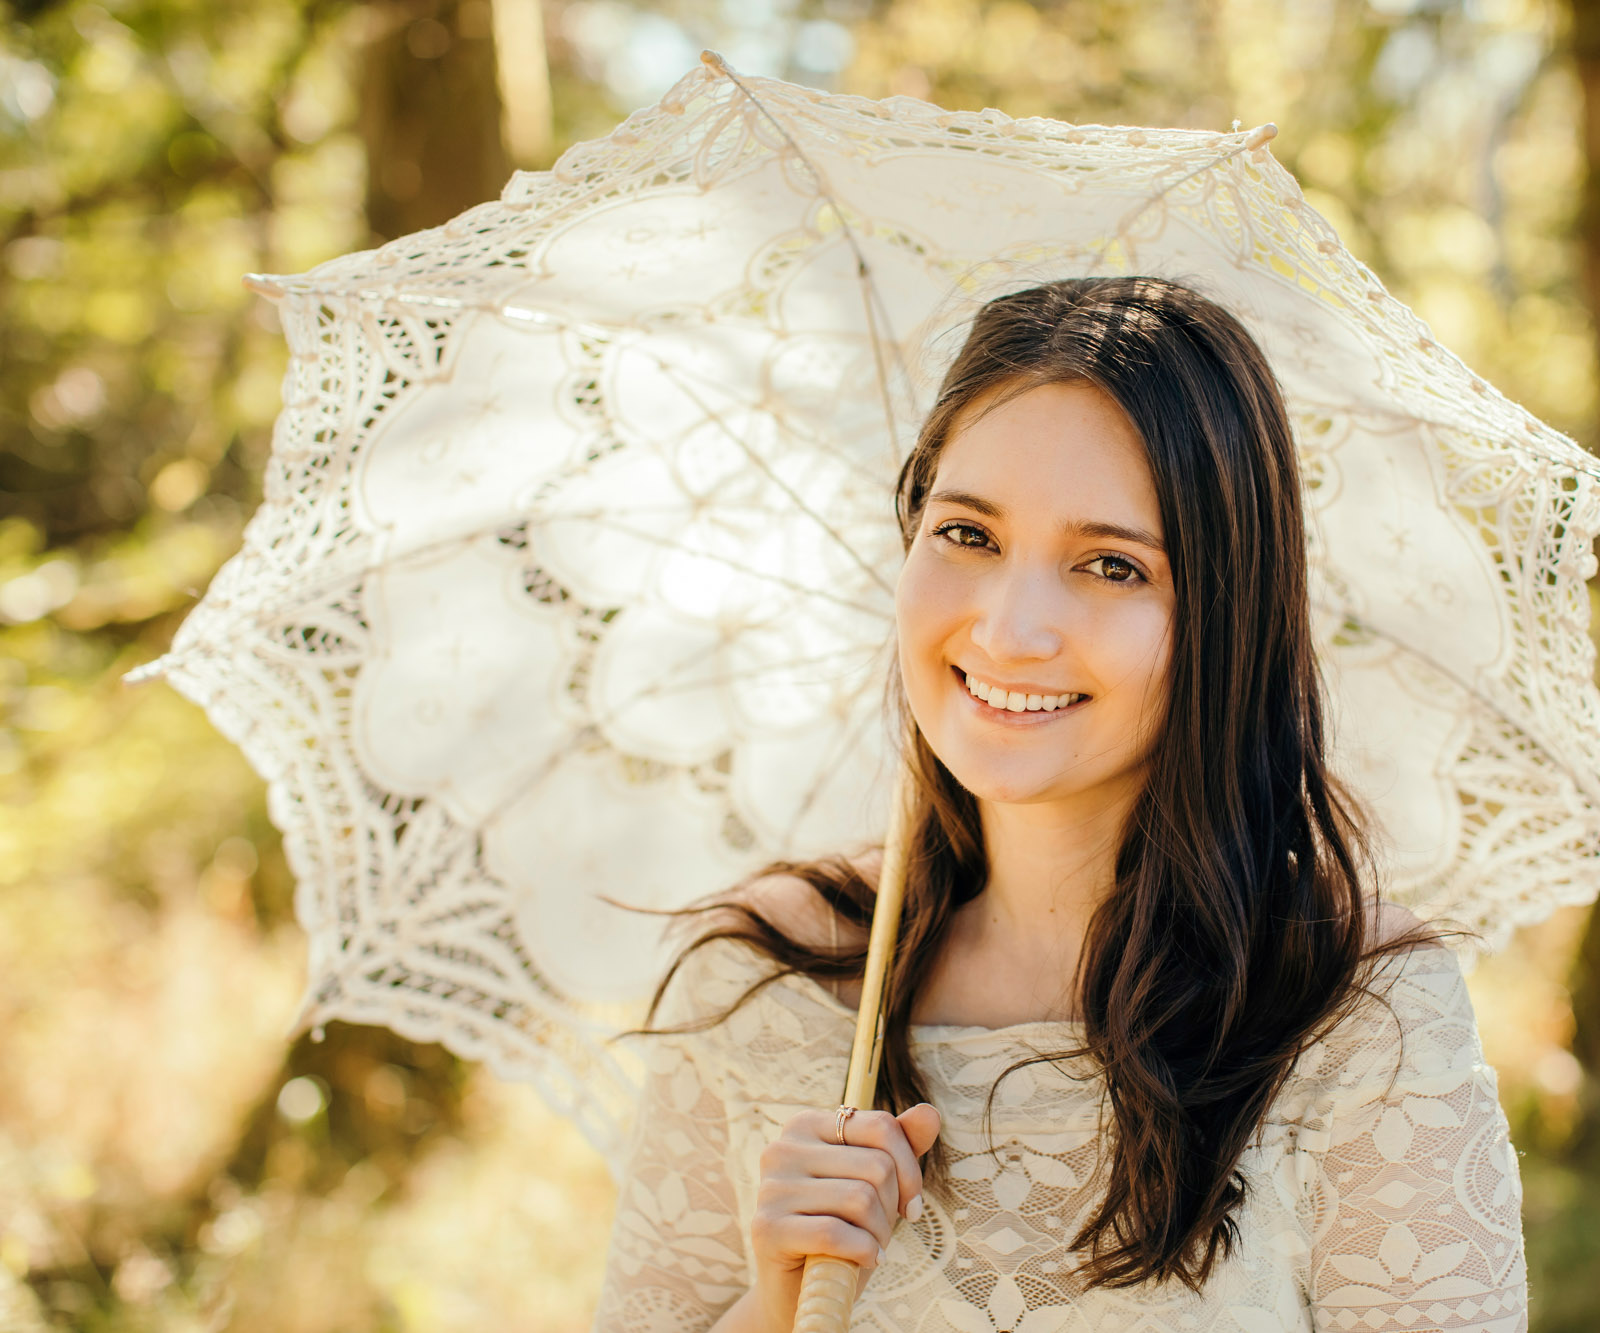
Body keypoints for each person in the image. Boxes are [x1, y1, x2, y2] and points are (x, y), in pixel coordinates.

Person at [589, 277, 1528, 1333]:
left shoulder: (1350, 1019)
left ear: (1223, 615)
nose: (1007, 628)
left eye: (1110, 565)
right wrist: (770, 1304)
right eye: (967, 536)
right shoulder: (760, 981)